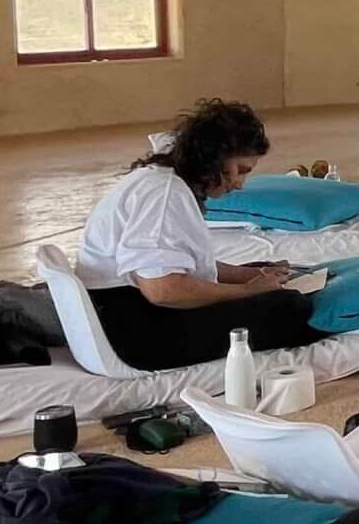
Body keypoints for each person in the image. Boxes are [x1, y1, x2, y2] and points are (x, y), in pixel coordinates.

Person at [76, 98, 319, 371]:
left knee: (263, 274)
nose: (240, 184)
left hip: (125, 312)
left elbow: (181, 264)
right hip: (139, 333)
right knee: (289, 307)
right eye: (240, 170)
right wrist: (247, 291)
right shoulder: (166, 194)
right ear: (215, 157)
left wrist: (250, 274)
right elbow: (163, 290)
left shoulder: (162, 179)